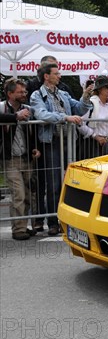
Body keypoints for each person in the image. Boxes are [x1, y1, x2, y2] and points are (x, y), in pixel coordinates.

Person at [30, 63, 93, 236]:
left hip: (68, 142)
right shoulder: (37, 95)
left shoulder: (63, 93)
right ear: (46, 76)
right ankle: (52, 221)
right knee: (54, 184)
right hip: (51, 142)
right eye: (56, 73)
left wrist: (86, 96)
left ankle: (64, 219)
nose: (60, 76)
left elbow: (79, 108)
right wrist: (65, 117)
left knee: (68, 182)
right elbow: (41, 114)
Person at [1, 78, 40, 240]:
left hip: (27, 158)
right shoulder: (2, 107)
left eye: (25, 91)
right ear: (10, 94)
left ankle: (23, 225)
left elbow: (34, 130)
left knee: (29, 194)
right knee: (18, 193)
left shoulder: (28, 108)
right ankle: (18, 229)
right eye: (20, 92)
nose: (24, 94)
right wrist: (15, 116)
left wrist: (35, 147)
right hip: (9, 159)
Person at [76, 75, 108, 159]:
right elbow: (80, 123)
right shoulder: (91, 103)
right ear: (99, 89)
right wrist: (95, 136)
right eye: (107, 87)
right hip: (92, 143)